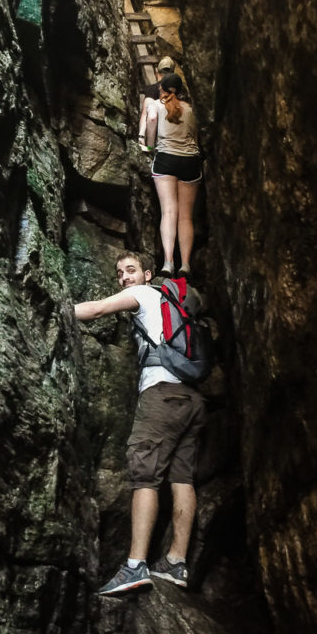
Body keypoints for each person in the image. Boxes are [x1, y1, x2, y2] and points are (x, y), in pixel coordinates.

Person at [74, 250, 208, 595]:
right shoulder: (175, 306)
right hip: (191, 399)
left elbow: (97, 309)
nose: (124, 278)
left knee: (143, 475)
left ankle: (135, 565)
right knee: (182, 478)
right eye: (119, 273)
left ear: (148, 275)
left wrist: (59, 308)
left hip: (161, 396)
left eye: (130, 270)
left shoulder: (143, 294)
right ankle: (176, 563)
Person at [143, 73, 202, 279]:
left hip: (166, 159)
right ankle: (185, 264)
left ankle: (168, 262)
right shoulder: (191, 110)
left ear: (161, 88)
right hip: (190, 161)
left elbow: (151, 120)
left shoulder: (156, 106)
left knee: (169, 212)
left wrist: (150, 145)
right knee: (186, 216)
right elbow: (195, 136)